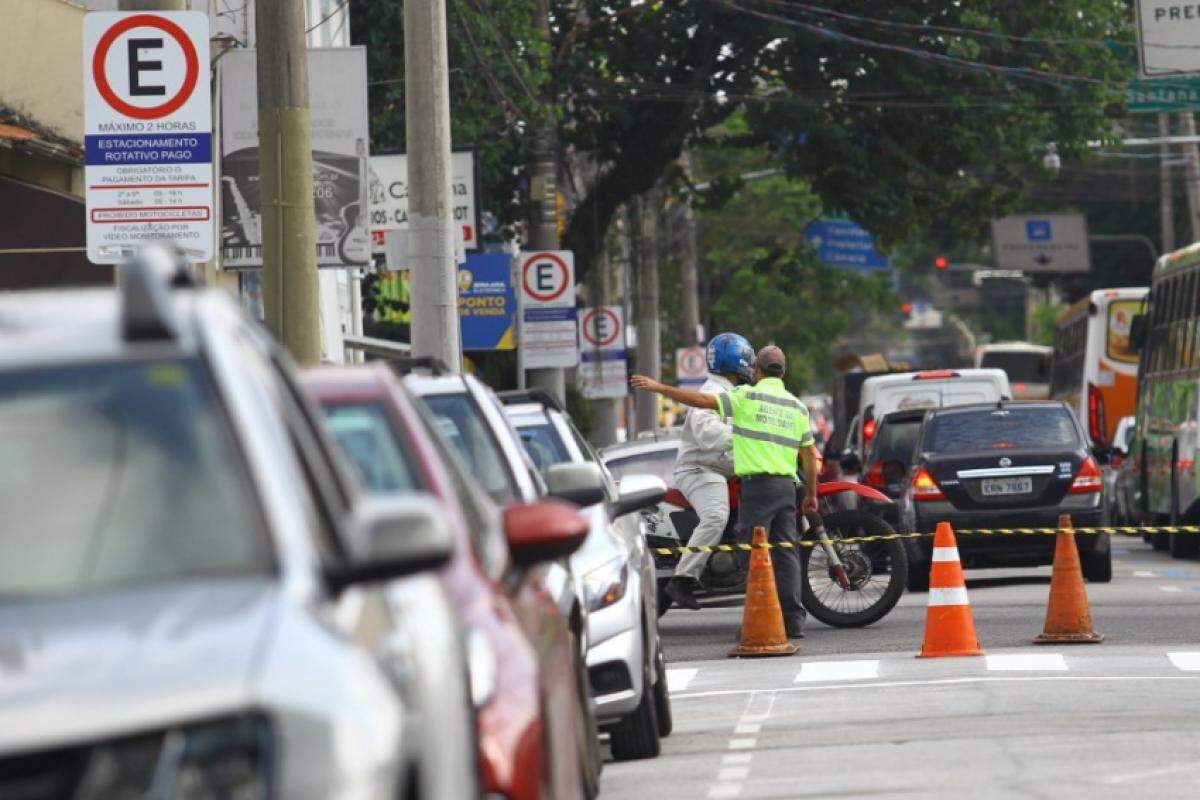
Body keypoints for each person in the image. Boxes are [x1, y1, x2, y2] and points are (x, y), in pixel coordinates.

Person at [631, 345, 817, 639]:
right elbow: (705, 426)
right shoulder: (790, 404)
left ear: (757, 370)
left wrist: (659, 387)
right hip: (707, 470)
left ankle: (777, 620)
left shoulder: (745, 396)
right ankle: (684, 579)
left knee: (756, 553)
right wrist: (812, 493)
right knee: (769, 546)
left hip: (752, 480)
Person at [664, 333, 757, 612]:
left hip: (720, 469)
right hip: (699, 470)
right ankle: (682, 580)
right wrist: (747, 435)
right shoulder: (711, 393)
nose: (751, 366)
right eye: (748, 360)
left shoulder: (733, 394)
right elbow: (708, 435)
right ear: (737, 362)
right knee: (716, 516)